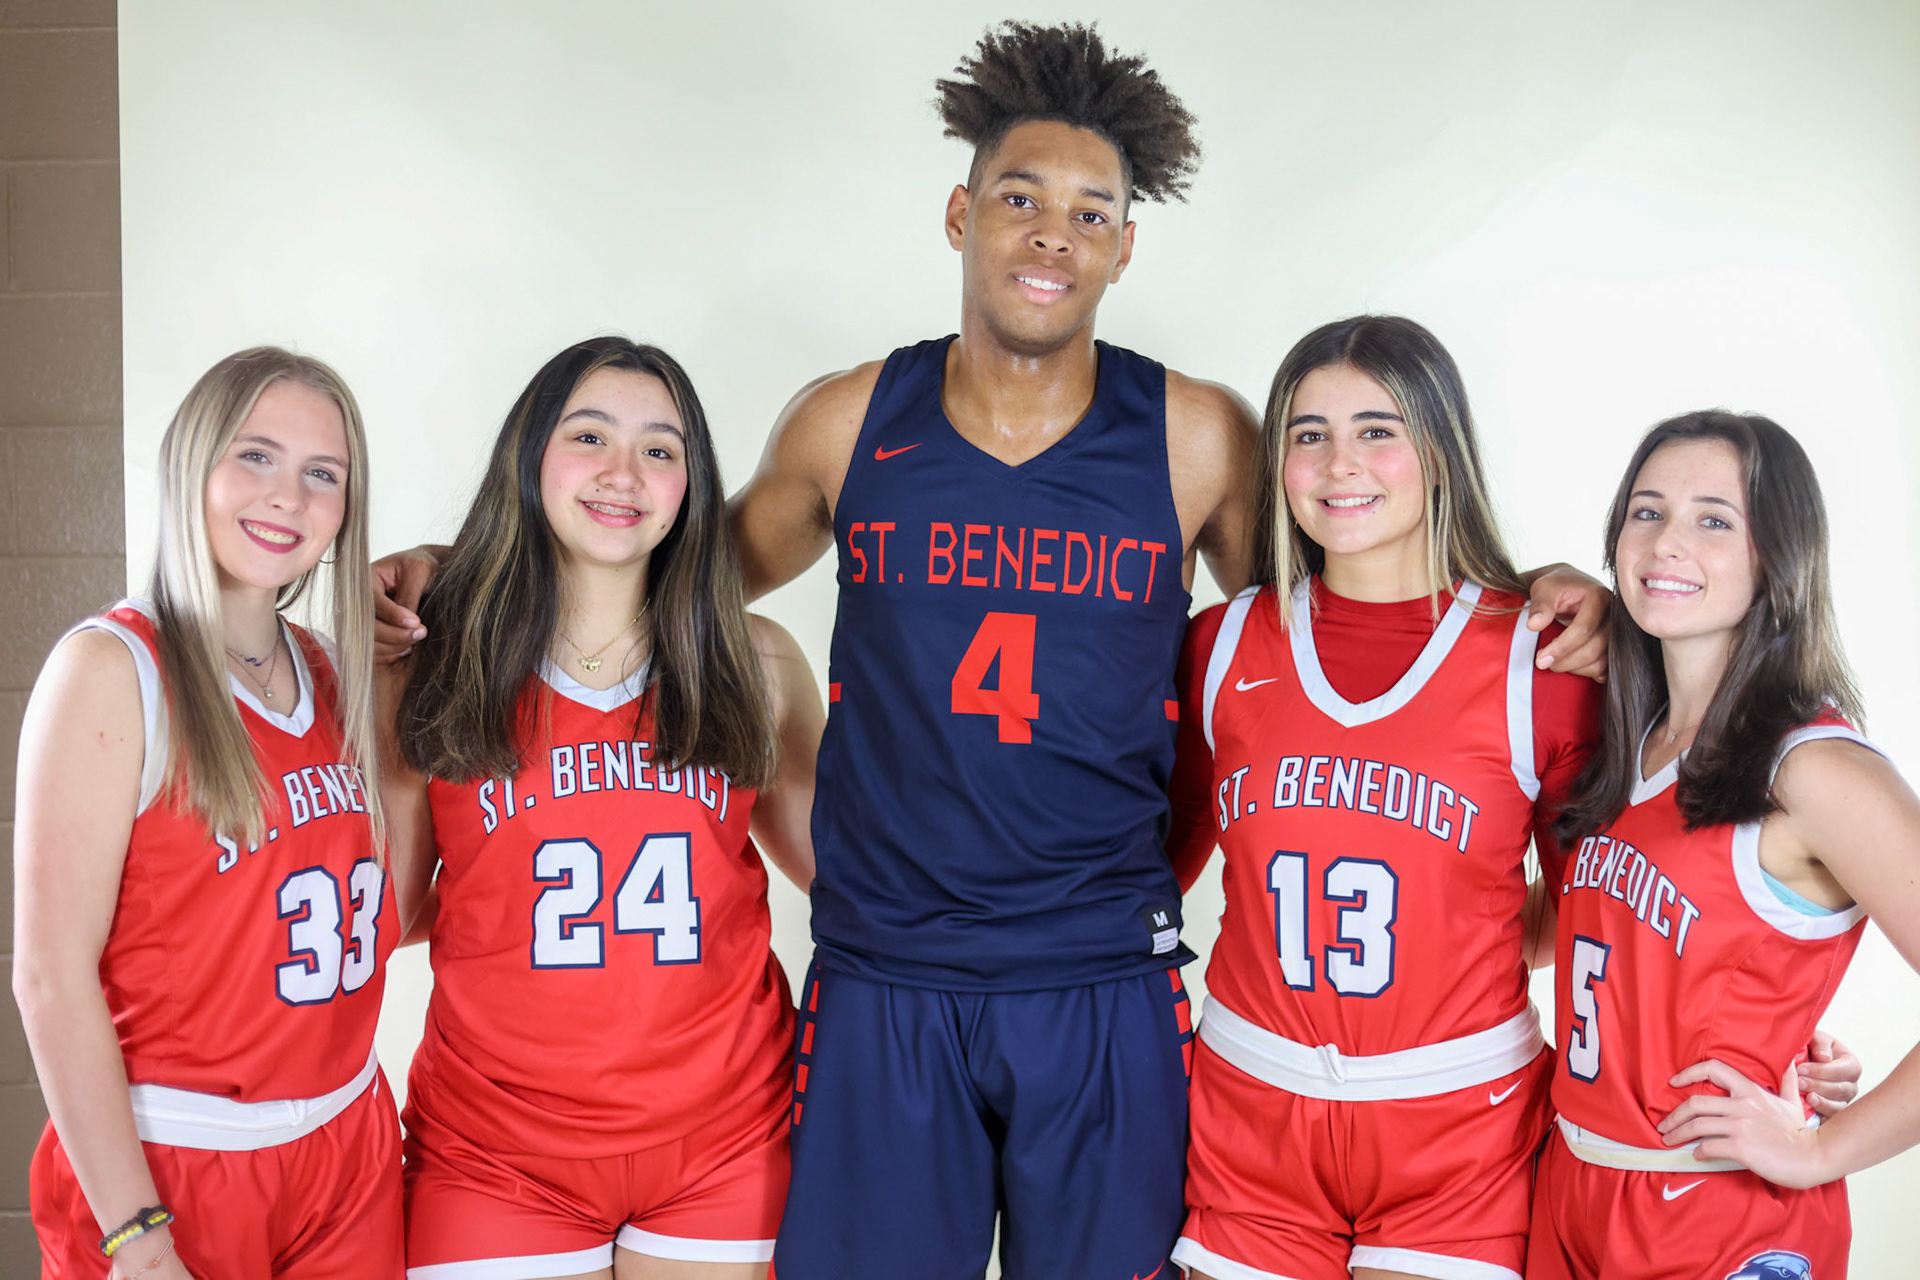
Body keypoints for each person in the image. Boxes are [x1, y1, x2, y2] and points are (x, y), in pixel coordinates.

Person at [374, 24, 1610, 1280]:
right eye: (1019, 197)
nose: (1050, 234)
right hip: (887, 976)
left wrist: (1523, 595)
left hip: (1101, 978)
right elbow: (666, 578)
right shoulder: (850, 420)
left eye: (1091, 211)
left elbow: (1334, 626)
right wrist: (456, 573)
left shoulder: (1196, 436)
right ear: (960, 212)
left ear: (1126, 245)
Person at [1164, 316, 1603, 1280]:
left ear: (1439, 449)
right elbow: (1158, 868)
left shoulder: (1548, 665)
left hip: (1460, 1131)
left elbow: (1594, 914)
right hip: (1250, 1115)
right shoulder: (1220, 647)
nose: (1338, 464)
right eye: (1308, 433)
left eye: (1378, 429)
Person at [385, 338, 823, 1280]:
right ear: (531, 455)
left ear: (692, 486)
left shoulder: (756, 661)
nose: (625, 474)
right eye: (591, 437)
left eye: (662, 450)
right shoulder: (437, 661)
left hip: (724, 1136)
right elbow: (389, 906)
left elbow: (852, 874)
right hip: (496, 1149)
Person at [14, 348, 401, 1279]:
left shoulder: (334, 670)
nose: (288, 498)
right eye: (255, 456)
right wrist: (133, 1236)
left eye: (323, 475)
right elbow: (50, 977)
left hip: (348, 1141)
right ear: (192, 463)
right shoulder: (112, 671)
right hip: (176, 1160)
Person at [1528, 411, 1920, 1279]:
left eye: (1714, 519)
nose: (1668, 542)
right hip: (1572, 1191)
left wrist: (1823, 1151)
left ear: (1776, 556)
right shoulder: (1624, 744)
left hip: (1719, 1216)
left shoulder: (1813, 768)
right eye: (1646, 511)